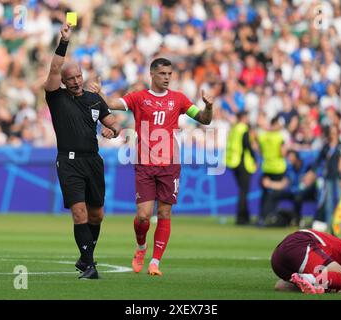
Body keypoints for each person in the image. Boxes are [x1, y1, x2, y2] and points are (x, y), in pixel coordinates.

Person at [91, 57, 214, 276]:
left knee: (165, 213)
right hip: (145, 164)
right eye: (162, 74)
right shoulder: (139, 97)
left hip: (170, 164)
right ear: (152, 74)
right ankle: (141, 248)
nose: (167, 77)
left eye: (169, 74)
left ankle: (155, 262)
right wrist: (100, 93)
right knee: (143, 216)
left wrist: (209, 107)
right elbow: (111, 104)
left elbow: (204, 120)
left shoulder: (179, 99)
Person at [43, 23, 121, 280]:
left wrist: (112, 131)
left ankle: (85, 257)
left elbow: (114, 125)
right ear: (63, 82)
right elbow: (54, 68)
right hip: (69, 162)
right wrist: (63, 42)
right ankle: (90, 265)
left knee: (97, 214)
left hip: (93, 161)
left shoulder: (95, 99)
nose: (76, 82)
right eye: (70, 79)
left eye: (78, 77)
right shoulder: (56, 97)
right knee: (79, 212)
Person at [271, 229, 341, 294]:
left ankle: (307, 278)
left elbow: (280, 285)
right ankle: (308, 278)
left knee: (290, 283)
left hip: (278, 260)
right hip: (301, 243)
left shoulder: (324, 277)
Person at [225, 111, 257, 225]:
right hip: (242, 162)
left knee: (242, 191)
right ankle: (241, 218)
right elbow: (247, 145)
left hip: (233, 162)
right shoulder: (243, 128)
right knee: (244, 191)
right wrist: (254, 158)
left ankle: (245, 216)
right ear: (243, 118)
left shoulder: (234, 128)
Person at [311, 126, 341, 230]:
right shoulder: (326, 147)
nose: (333, 135)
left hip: (339, 176)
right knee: (328, 201)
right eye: (331, 133)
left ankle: (340, 224)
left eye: (334, 133)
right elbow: (318, 160)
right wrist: (313, 170)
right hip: (328, 176)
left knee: (340, 200)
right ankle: (329, 222)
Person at [256, 115, 287, 226]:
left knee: (265, 194)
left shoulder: (263, 136)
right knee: (275, 195)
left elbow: (259, 150)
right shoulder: (279, 137)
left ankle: (262, 217)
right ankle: (271, 217)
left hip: (267, 167)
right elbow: (282, 153)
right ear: (275, 124)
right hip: (278, 168)